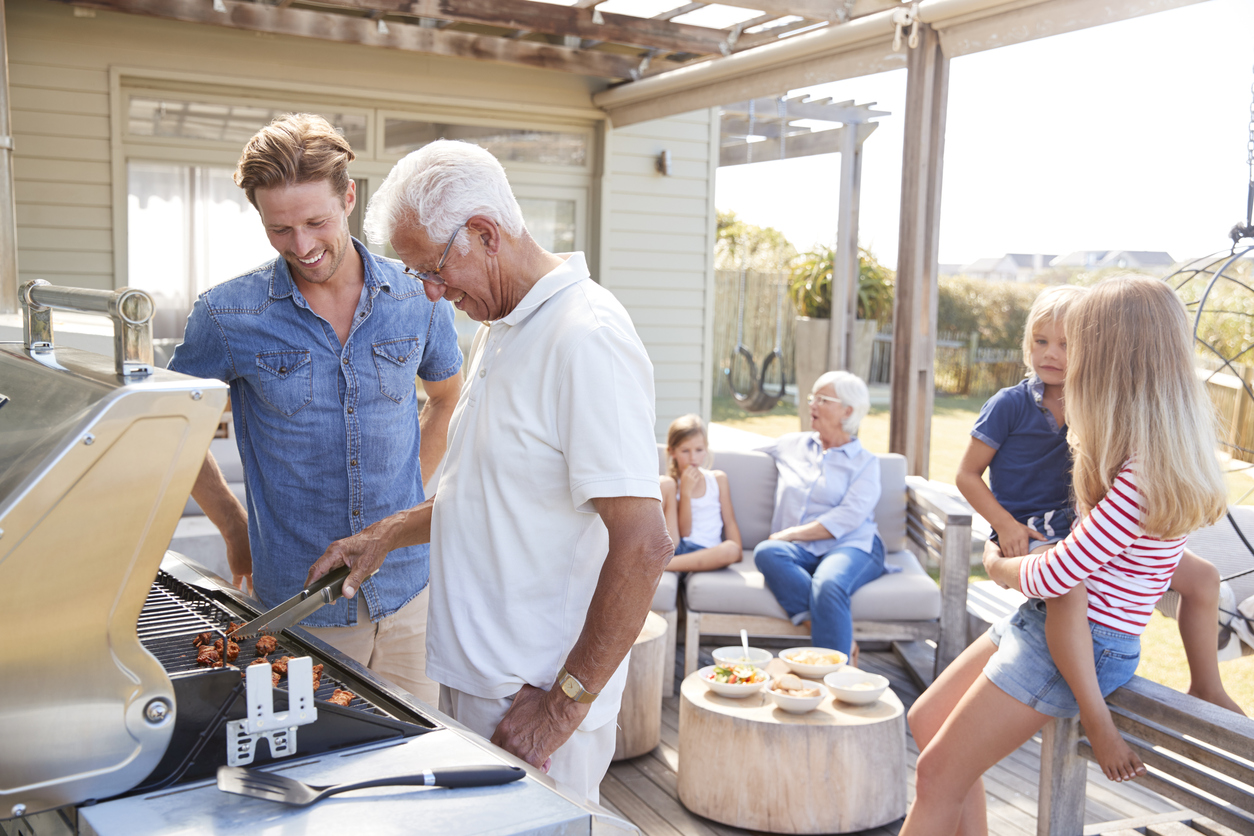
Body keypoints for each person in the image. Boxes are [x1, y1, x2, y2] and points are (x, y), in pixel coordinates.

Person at [303, 139, 672, 803]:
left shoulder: (585, 337)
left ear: (483, 233)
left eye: (434, 270)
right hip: (477, 684)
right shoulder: (501, 328)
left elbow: (645, 544)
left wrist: (560, 710)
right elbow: (489, 497)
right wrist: (384, 535)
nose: (432, 294)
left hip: (530, 702)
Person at [902, 275, 1230, 836]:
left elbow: (1058, 575)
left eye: (1078, 345)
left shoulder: (1142, 473)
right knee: (926, 718)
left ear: (1112, 362)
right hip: (1048, 627)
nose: (1065, 361)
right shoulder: (1141, 446)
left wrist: (998, 564)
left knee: (936, 775)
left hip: (1080, 646)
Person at [168, 114, 463, 706]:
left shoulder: (417, 295)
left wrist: (400, 519)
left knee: (419, 763)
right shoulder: (227, 316)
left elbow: (447, 398)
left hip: (409, 589)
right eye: (279, 229)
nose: (301, 246)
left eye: (315, 222)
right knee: (322, 768)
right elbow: (169, 434)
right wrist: (232, 526)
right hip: (301, 603)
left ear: (349, 197)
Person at [753, 371, 884, 663]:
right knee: (767, 552)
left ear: (847, 411)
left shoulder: (866, 464)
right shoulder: (792, 445)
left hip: (852, 546)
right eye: (812, 397)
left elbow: (848, 517)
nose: (812, 404)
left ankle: (833, 680)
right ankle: (834, 635)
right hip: (801, 550)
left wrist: (792, 534)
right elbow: (735, 455)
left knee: (828, 584)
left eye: (823, 400)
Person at [660, 414, 743, 572]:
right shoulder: (672, 485)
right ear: (672, 452)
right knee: (665, 483)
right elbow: (685, 532)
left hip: (709, 553)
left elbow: (730, 522)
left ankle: (661, 566)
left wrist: (737, 551)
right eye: (685, 451)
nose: (693, 458)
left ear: (706, 449)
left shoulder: (717, 480)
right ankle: (662, 563)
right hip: (679, 547)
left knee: (731, 549)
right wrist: (685, 492)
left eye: (699, 450)